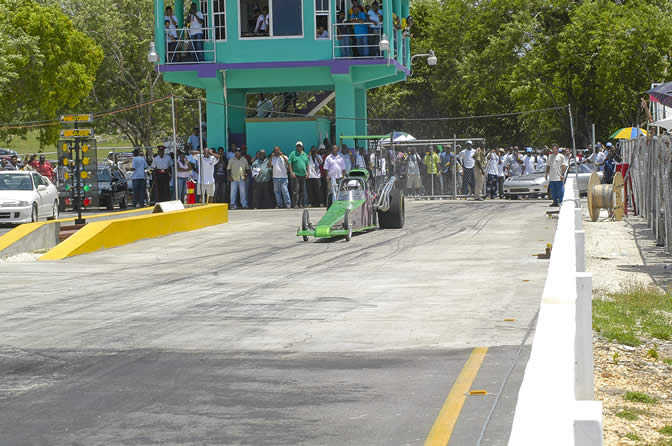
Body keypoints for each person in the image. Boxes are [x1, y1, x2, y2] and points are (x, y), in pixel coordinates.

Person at [289, 141, 309, 208]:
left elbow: (307, 164)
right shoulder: (293, 154)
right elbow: (290, 163)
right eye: (297, 146)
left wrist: (308, 172)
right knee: (296, 190)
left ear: (302, 147)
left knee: (302, 190)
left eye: (300, 146)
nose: (299, 147)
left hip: (303, 175)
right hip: (296, 175)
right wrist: (291, 172)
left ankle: (300, 203)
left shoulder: (305, 154)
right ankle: (295, 204)